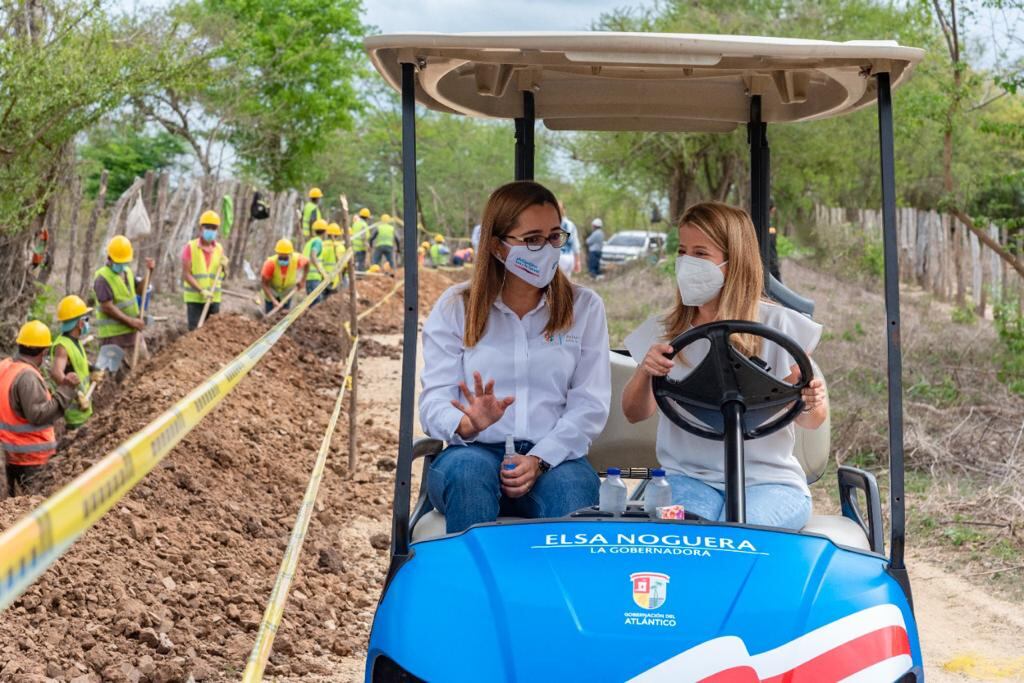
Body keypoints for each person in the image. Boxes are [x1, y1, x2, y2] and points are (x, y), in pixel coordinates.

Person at [621, 202, 827, 530]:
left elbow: (813, 419)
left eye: (701, 254)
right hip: (687, 479)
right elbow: (633, 412)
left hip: (769, 483)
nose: (687, 263)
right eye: (683, 252)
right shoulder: (663, 330)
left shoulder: (781, 326)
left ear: (734, 262)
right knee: (685, 532)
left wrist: (807, 399)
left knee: (739, 534)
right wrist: (647, 370)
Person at [419, 181, 611, 534]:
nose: (548, 249)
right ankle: (479, 589)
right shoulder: (455, 307)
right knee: (467, 475)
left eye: (555, 236)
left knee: (575, 492)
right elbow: (434, 399)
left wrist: (539, 458)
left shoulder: (584, 308)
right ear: (497, 247)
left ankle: (554, 590)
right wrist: (467, 423)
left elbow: (590, 403)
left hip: (554, 458)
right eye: (533, 239)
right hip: (474, 451)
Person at [1, 321, 77, 497]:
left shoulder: (6, 367)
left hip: (13, 454)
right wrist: (65, 391)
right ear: (43, 352)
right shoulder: (27, 376)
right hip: (32, 458)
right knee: (33, 507)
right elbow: (38, 414)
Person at [93, 236, 154, 364]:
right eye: (119, 261)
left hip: (133, 335)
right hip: (113, 338)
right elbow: (107, 307)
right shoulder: (102, 278)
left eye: (124, 261)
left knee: (143, 369)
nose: (122, 265)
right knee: (111, 377)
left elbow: (139, 291)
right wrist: (131, 322)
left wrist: (150, 272)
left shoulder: (127, 272)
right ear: (109, 257)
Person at [50, 295, 94, 429]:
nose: (87, 322)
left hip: (86, 407)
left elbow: (78, 364)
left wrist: (93, 368)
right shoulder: (62, 346)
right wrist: (76, 395)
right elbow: (56, 373)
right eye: (86, 319)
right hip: (76, 414)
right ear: (80, 323)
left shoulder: (75, 341)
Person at [182, 210, 226, 331]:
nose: (211, 230)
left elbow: (221, 275)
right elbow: (186, 275)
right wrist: (201, 291)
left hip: (213, 298)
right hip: (195, 299)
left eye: (214, 228)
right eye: (208, 227)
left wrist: (225, 267)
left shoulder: (219, 249)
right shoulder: (190, 247)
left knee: (212, 333)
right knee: (195, 332)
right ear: (201, 228)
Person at [261, 239, 308, 313]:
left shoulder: (297, 259)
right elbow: (264, 284)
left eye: (285, 258)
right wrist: (274, 301)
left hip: (287, 292)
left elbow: (307, 263)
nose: (283, 260)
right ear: (277, 253)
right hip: (272, 292)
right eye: (281, 257)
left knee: (284, 315)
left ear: (290, 254)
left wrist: (303, 280)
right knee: (270, 315)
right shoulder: (270, 264)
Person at [303, 219, 330, 304]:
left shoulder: (310, 242)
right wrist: (322, 272)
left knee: (313, 303)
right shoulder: (318, 242)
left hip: (308, 276)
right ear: (325, 231)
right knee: (316, 303)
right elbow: (313, 255)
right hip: (313, 277)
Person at [556, 201, 581, 278]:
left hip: (557, 258)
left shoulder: (551, 223)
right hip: (569, 258)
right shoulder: (571, 224)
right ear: (564, 210)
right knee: (566, 284)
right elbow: (575, 245)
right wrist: (577, 261)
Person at [322, 222, 347, 296]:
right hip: (335, 279)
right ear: (338, 235)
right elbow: (344, 266)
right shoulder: (340, 247)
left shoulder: (322, 245)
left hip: (322, 277)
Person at [768, 199, 782, 283]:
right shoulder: (771, 229)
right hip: (771, 266)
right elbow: (772, 249)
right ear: (773, 210)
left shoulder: (752, 226)